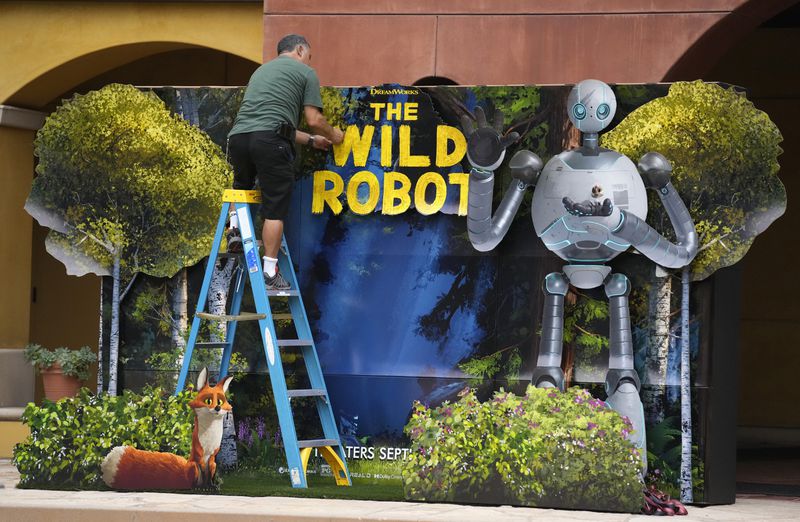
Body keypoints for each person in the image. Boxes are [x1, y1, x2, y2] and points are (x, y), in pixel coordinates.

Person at [227, 34, 344, 290]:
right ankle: (270, 271)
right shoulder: (305, 72)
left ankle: (234, 229)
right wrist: (334, 135)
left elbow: (274, 125)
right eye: (309, 56)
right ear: (300, 50)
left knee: (241, 186)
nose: (309, 62)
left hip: (238, 137)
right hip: (270, 143)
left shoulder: (260, 72)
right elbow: (313, 119)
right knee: (275, 208)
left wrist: (312, 141)